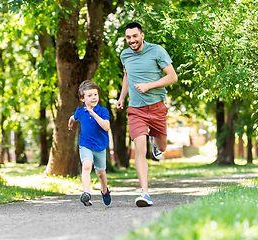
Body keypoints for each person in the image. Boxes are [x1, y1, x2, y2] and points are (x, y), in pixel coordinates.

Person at [116, 22, 178, 207]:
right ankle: (145, 193)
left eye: (135, 36)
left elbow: (172, 77)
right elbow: (127, 75)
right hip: (136, 110)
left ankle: (156, 144)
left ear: (142, 35)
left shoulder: (157, 51)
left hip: (157, 107)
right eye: (128, 37)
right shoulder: (125, 55)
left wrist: (149, 86)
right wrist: (121, 97)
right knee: (139, 149)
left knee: (162, 147)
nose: (132, 40)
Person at [68, 80, 111, 207]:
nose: (93, 97)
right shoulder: (80, 111)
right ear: (82, 98)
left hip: (100, 146)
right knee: (86, 165)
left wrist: (93, 114)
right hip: (85, 144)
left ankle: (104, 190)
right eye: (89, 95)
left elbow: (106, 127)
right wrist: (70, 122)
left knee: (100, 172)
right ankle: (87, 194)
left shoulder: (103, 111)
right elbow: (73, 117)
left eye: (95, 95)